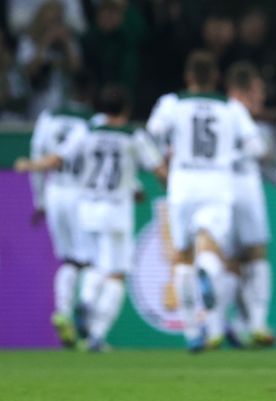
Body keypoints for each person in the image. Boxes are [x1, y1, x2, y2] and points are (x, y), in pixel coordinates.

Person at [16, 84, 166, 351]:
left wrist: (31, 165)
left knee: (92, 263)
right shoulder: (133, 135)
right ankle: (96, 333)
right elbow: (158, 168)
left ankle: (84, 301)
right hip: (117, 210)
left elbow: (56, 159)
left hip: (88, 208)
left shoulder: (85, 131)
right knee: (116, 274)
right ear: (127, 109)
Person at [146, 50, 265, 351]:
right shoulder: (231, 108)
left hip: (182, 183)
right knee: (209, 247)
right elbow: (256, 147)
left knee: (182, 259)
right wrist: (229, 155)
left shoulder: (172, 102)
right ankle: (208, 273)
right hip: (217, 183)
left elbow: (153, 132)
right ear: (215, 77)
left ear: (188, 76)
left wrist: (164, 159)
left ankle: (191, 332)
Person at [26, 70, 97, 348]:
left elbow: (36, 156)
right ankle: (85, 316)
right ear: (89, 93)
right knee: (90, 261)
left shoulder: (49, 117)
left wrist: (40, 200)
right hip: (82, 194)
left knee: (68, 260)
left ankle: (62, 312)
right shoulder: (91, 122)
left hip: (55, 191)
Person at [224, 61, 276, 347]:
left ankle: (229, 323)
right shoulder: (238, 112)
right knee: (256, 253)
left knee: (231, 259)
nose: (261, 98)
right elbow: (258, 148)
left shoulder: (219, 110)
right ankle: (256, 323)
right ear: (243, 91)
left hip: (221, 188)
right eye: (257, 91)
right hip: (244, 187)